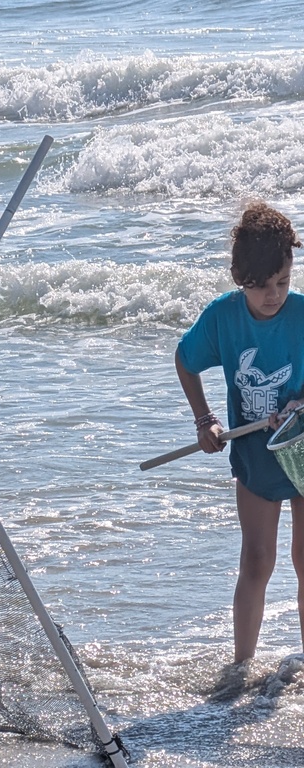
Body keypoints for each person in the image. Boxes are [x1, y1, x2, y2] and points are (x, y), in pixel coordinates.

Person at [175, 201, 304, 664]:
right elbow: (184, 361)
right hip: (255, 453)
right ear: (239, 278)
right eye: (262, 286)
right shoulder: (223, 318)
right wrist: (204, 419)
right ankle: (241, 667)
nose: (274, 295)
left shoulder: (303, 314)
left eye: (284, 282)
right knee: (257, 561)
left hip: (303, 448)